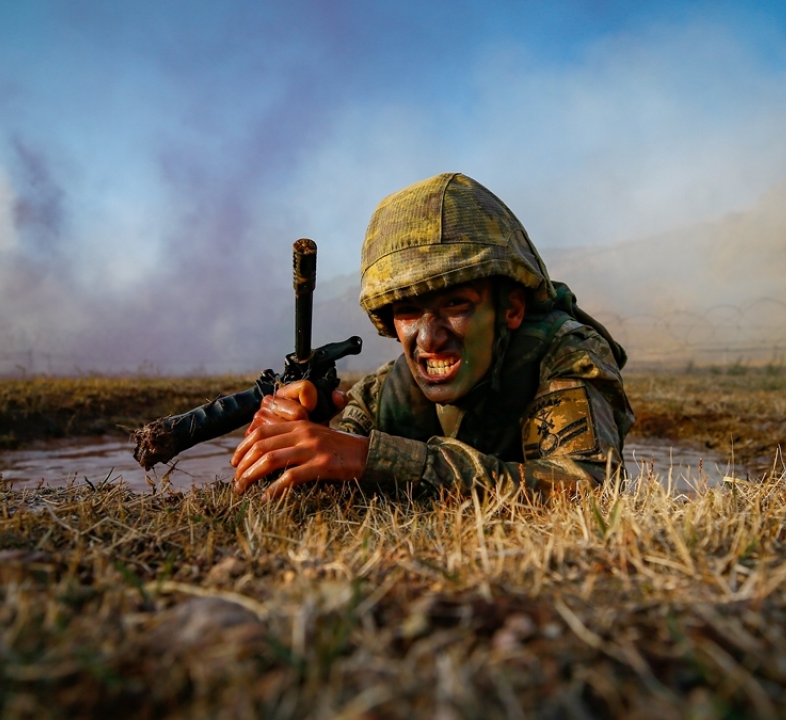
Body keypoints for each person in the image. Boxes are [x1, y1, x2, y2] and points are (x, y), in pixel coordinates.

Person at [231, 172, 634, 498]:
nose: (428, 339)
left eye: (456, 304)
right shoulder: (387, 391)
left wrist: (383, 461)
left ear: (511, 308)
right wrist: (303, 437)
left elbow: (587, 487)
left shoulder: (565, 353)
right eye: (407, 311)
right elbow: (337, 462)